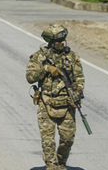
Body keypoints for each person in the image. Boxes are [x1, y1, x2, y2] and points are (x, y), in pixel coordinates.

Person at [26, 23, 85, 170]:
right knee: (48, 140)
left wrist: (76, 95)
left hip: (67, 103)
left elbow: (79, 78)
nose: (61, 43)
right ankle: (51, 166)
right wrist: (46, 68)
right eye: (58, 41)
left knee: (68, 138)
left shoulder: (72, 56)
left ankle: (61, 163)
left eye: (63, 40)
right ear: (51, 42)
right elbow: (30, 77)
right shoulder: (39, 57)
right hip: (46, 103)